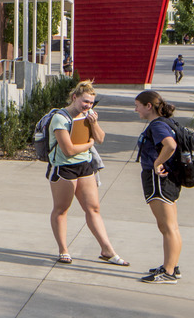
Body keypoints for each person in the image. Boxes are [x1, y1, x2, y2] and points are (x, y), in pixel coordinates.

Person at [44, 80, 127, 266]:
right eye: (85, 102)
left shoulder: (88, 115)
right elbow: (68, 150)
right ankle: (63, 250)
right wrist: (89, 144)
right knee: (61, 209)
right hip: (64, 168)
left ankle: (107, 250)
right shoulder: (60, 118)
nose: (88, 106)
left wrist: (94, 123)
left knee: (93, 208)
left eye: (91, 103)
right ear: (75, 97)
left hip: (85, 166)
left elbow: (101, 138)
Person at [135, 89, 183, 283]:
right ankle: (171, 265)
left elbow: (170, 145)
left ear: (149, 106)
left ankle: (168, 272)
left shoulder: (157, 125)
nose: (136, 110)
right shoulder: (166, 122)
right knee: (169, 226)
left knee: (168, 227)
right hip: (167, 179)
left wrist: (157, 163)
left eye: (137, 106)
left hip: (158, 180)